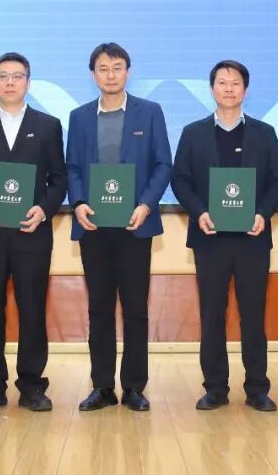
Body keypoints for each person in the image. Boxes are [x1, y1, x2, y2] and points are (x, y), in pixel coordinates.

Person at [171, 60, 278, 412]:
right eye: (222, 82)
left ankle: (257, 388)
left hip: (252, 237)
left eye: (235, 83)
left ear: (245, 90)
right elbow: (180, 180)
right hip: (210, 238)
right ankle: (215, 388)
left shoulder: (264, 133)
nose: (229, 88)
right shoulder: (193, 133)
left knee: (253, 315)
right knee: (212, 315)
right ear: (212, 89)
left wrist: (262, 213)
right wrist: (199, 212)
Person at [66, 42, 172, 412]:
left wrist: (146, 204)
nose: (110, 75)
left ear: (128, 71)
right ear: (92, 74)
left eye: (117, 67)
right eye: (103, 68)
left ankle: (134, 387)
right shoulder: (79, 116)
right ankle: (102, 386)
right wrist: (78, 202)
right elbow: (72, 167)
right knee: (99, 309)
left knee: (135, 308)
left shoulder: (150, 112)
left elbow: (163, 164)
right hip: (93, 227)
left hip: (134, 226)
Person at [0, 53, 66, 412]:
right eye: (3, 76)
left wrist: (45, 209)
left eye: (17, 76)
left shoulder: (48, 125)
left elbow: (59, 178)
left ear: (28, 82)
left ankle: (32, 386)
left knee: (32, 310)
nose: (10, 82)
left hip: (31, 233)